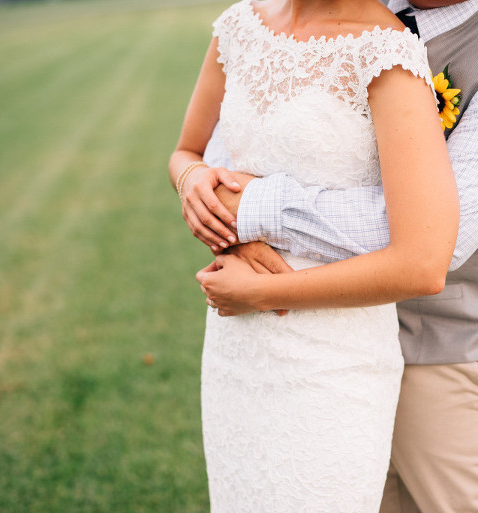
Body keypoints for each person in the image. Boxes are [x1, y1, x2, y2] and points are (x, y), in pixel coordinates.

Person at [192, 0, 478, 511]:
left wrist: (255, 207)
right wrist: (218, 202)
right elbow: (232, 153)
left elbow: (432, 240)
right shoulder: (339, 14)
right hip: (312, 355)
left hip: (446, 367)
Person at [169, 0, 459, 511]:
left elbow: (423, 262)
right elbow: (187, 152)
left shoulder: (387, 53)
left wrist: (264, 293)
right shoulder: (239, 26)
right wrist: (193, 183)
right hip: (235, 353)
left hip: (332, 365)